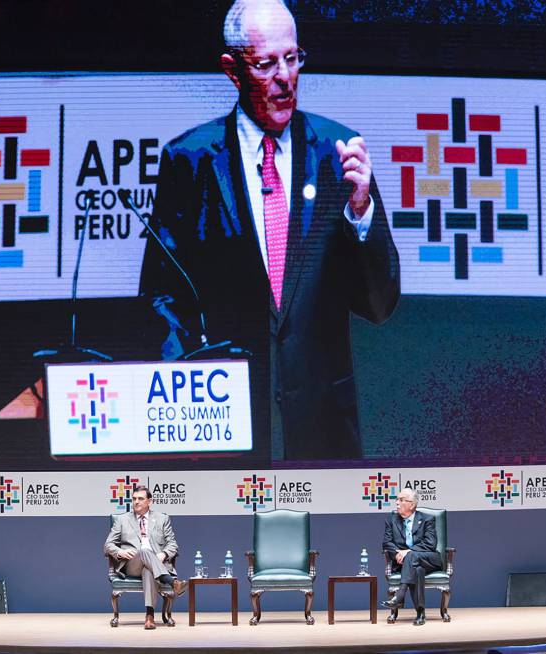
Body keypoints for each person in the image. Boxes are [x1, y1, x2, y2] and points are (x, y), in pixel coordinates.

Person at [140, 0, 400, 461]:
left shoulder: (338, 156)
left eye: (292, 57)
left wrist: (361, 211)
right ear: (232, 70)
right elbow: (162, 298)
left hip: (323, 434)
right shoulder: (190, 161)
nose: (285, 76)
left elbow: (379, 306)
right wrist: (187, 394)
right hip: (225, 432)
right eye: (265, 64)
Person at [103, 485, 188, 630]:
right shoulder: (122, 520)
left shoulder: (162, 519)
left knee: (148, 570)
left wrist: (164, 554)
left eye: (140, 499)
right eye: (134, 499)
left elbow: (173, 544)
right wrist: (120, 552)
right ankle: (172, 582)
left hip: (155, 564)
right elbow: (108, 545)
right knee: (143, 550)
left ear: (149, 501)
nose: (136, 502)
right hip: (131, 565)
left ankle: (149, 616)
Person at [381, 489, 443, 625]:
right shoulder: (392, 520)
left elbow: (430, 544)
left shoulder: (427, 519)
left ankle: (400, 594)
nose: (397, 503)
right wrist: (399, 553)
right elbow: (387, 543)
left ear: (412, 504)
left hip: (429, 559)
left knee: (412, 556)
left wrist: (407, 551)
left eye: (402, 500)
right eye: (397, 499)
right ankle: (420, 613)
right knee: (417, 570)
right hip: (407, 563)